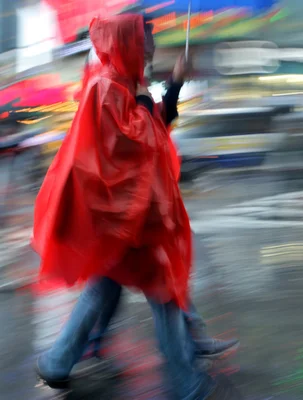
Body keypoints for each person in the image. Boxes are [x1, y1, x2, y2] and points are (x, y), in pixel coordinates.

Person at [32, 14, 238, 399]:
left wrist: (173, 83)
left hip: (133, 217)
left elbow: (156, 129)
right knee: (164, 293)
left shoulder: (126, 84)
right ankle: (188, 383)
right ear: (128, 42)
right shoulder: (106, 87)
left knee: (108, 290)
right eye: (147, 38)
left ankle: (57, 362)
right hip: (125, 219)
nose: (153, 45)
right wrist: (146, 102)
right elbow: (126, 150)